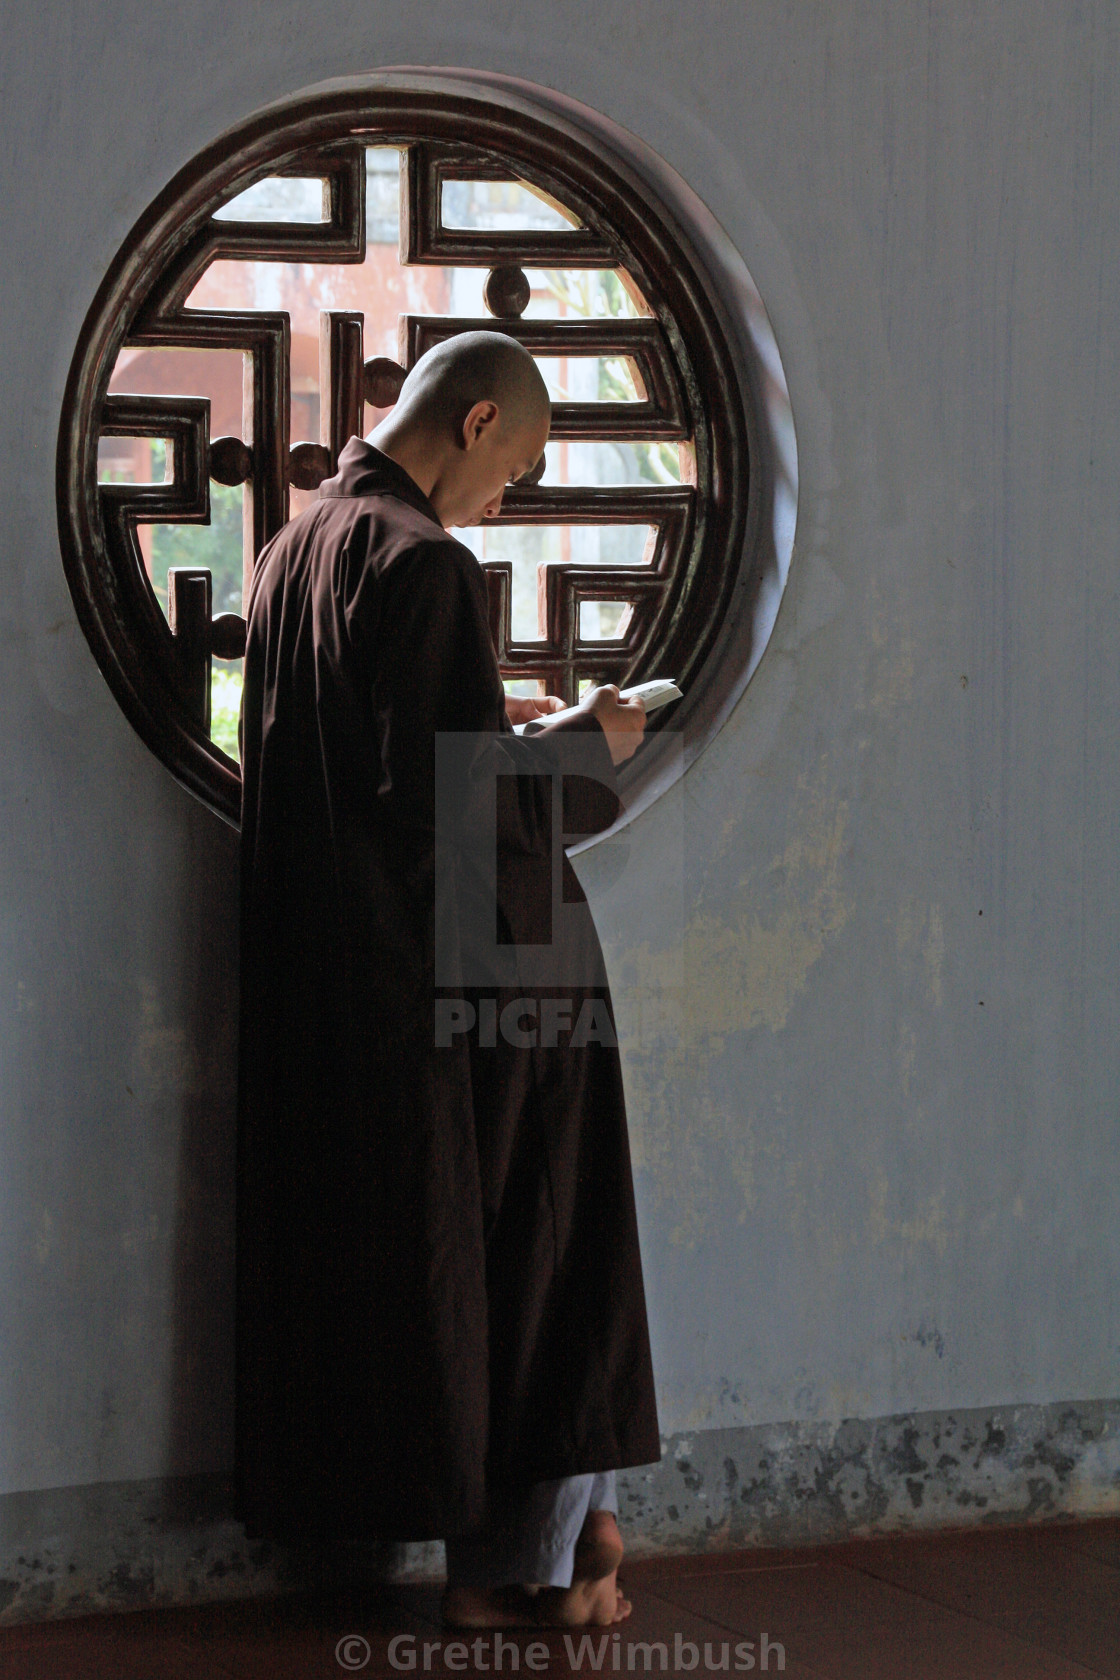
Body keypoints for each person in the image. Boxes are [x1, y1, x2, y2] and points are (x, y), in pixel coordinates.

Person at [235, 331, 661, 1629]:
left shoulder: (293, 553)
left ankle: (548, 1545)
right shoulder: (425, 568)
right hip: (457, 982)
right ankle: (522, 1571)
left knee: (441, 1273)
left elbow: (383, 784)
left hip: (333, 993)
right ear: (477, 426)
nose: (507, 499)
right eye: (518, 467)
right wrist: (596, 749)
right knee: (546, 1243)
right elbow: (464, 818)